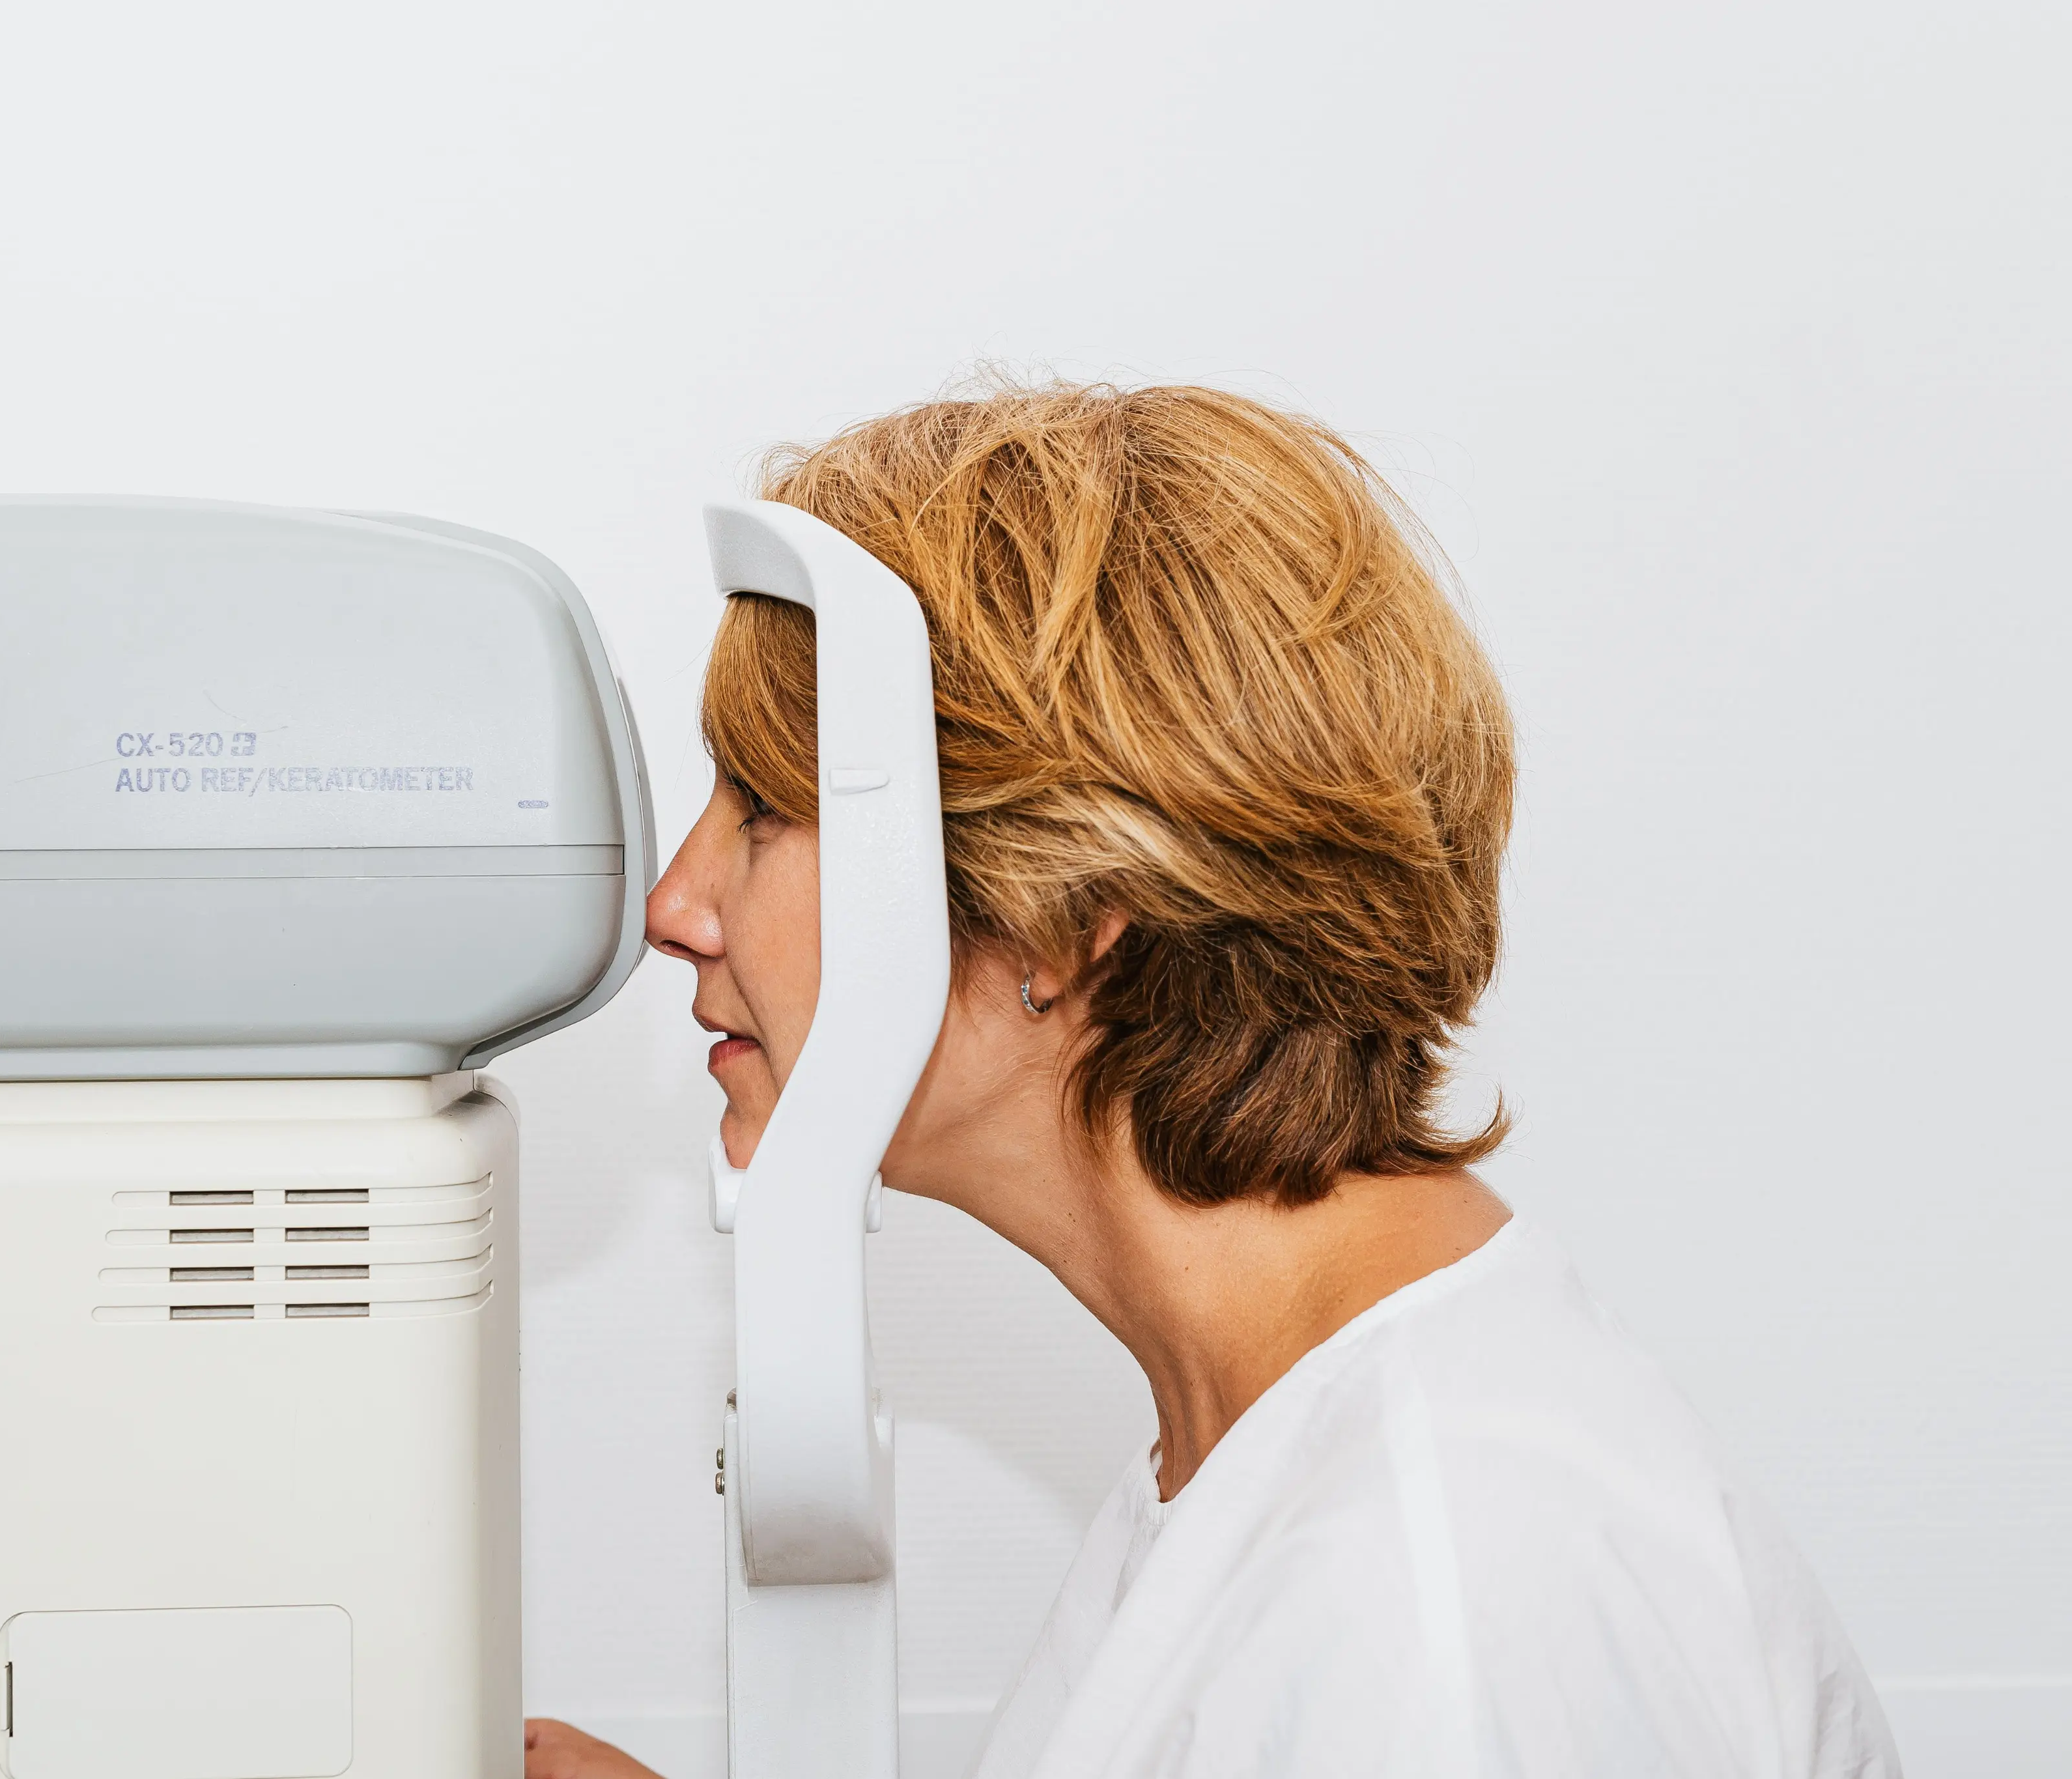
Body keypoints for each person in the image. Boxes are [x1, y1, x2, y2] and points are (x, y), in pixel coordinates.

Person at [525, 382, 1899, 1779]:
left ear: (1058, 914)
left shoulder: (1439, 1603)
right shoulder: (1260, 1447)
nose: (675, 903)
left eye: (759, 811)